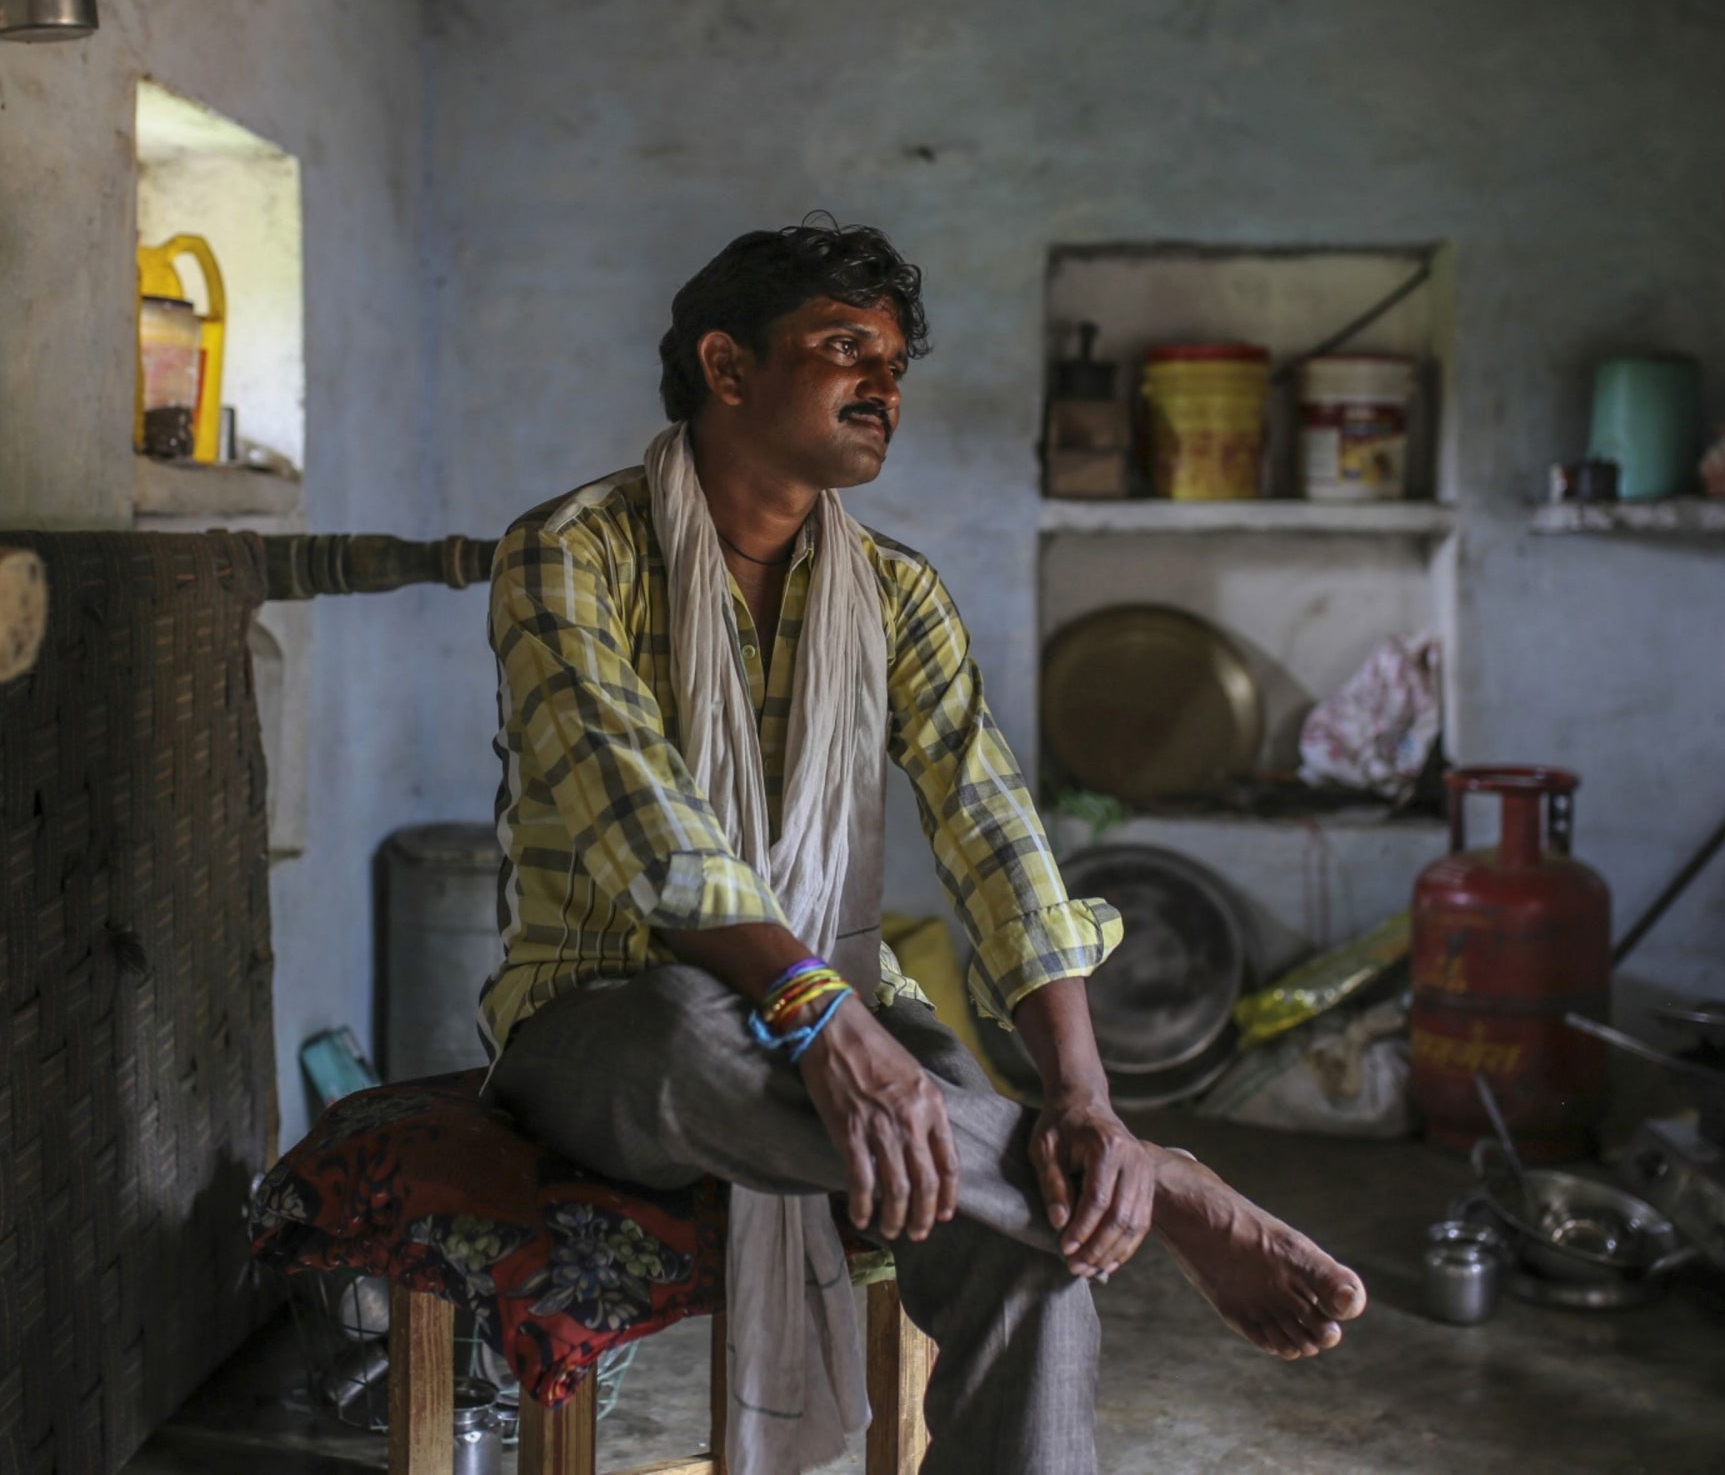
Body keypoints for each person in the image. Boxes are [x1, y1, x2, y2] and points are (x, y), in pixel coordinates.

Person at [480, 220, 1366, 1475]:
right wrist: (822, 1024)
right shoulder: (567, 555)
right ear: (727, 370)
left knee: (1035, 1236)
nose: (885, 389)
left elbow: (994, 829)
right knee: (691, 1024)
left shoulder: (895, 594)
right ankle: (1164, 1190)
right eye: (848, 352)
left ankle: (1102, 1167)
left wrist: (1084, 1097)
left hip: (842, 991)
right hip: (602, 1019)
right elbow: (650, 829)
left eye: (895, 363)